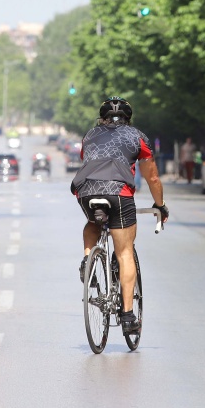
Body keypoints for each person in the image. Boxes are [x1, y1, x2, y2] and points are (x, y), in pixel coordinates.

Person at [71, 96, 169, 335]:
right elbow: (152, 177)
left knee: (93, 221)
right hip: (119, 191)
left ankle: (87, 259)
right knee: (124, 251)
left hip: (85, 190)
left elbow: (88, 159)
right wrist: (160, 205)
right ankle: (127, 316)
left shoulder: (90, 135)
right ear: (128, 118)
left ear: (101, 118)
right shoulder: (137, 137)